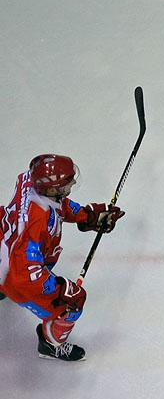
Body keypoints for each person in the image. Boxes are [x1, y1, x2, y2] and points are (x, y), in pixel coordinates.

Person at [0, 154, 124, 361]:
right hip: (14, 272)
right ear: (50, 190)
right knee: (71, 304)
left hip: (3, 241)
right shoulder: (35, 224)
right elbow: (24, 274)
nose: (72, 183)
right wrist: (58, 290)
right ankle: (50, 345)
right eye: (66, 183)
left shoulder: (31, 181)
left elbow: (58, 206)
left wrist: (87, 216)